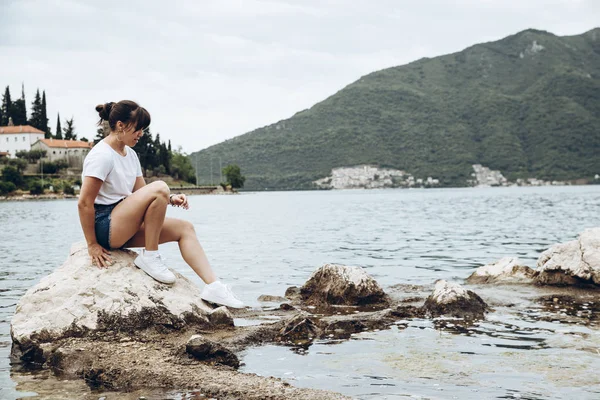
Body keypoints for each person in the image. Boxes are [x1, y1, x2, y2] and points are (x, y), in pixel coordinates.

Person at [77, 100, 243, 308]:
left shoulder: (131, 154)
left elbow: (141, 193)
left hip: (124, 221)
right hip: (106, 225)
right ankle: (151, 256)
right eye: (138, 129)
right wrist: (92, 245)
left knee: (185, 229)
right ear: (121, 125)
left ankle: (214, 287)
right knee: (161, 187)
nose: (141, 134)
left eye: (143, 130)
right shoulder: (102, 156)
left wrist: (170, 199)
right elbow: (84, 203)